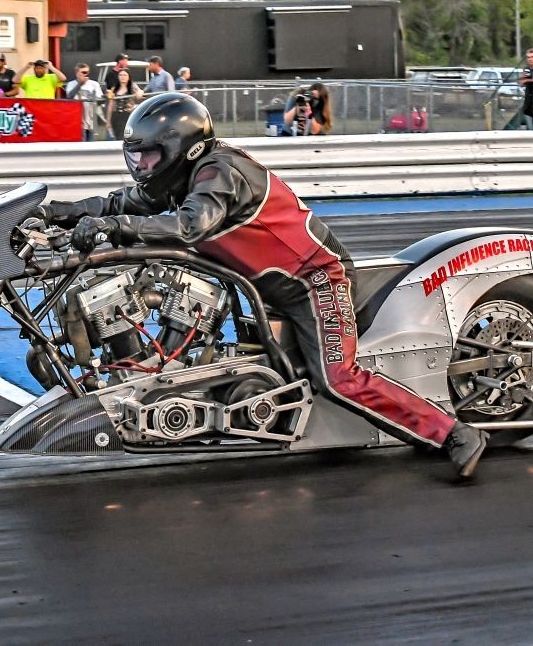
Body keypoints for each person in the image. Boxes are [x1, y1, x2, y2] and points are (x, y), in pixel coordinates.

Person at [35, 92, 490, 479]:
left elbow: (192, 225)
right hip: (268, 287)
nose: (141, 165)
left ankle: (453, 433)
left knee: (338, 379)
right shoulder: (179, 176)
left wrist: (113, 227)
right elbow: (122, 200)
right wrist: (63, 212)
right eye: (136, 154)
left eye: (149, 154)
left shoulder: (220, 174)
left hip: (313, 281)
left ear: (182, 150)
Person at [65, 63, 106, 140]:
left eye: (87, 72)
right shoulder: (71, 84)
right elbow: (69, 97)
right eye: (83, 72)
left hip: (92, 119)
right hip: (77, 120)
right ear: (77, 73)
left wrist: (101, 98)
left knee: (92, 144)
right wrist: (80, 84)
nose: (85, 74)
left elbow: (100, 100)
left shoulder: (94, 84)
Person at [106, 67, 143, 138]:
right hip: (116, 116)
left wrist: (140, 92)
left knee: (125, 136)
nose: (122, 77)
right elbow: (110, 105)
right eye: (121, 75)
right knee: (117, 137)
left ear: (129, 77)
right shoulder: (114, 89)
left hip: (128, 115)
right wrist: (108, 121)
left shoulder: (132, 87)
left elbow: (140, 92)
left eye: (125, 75)